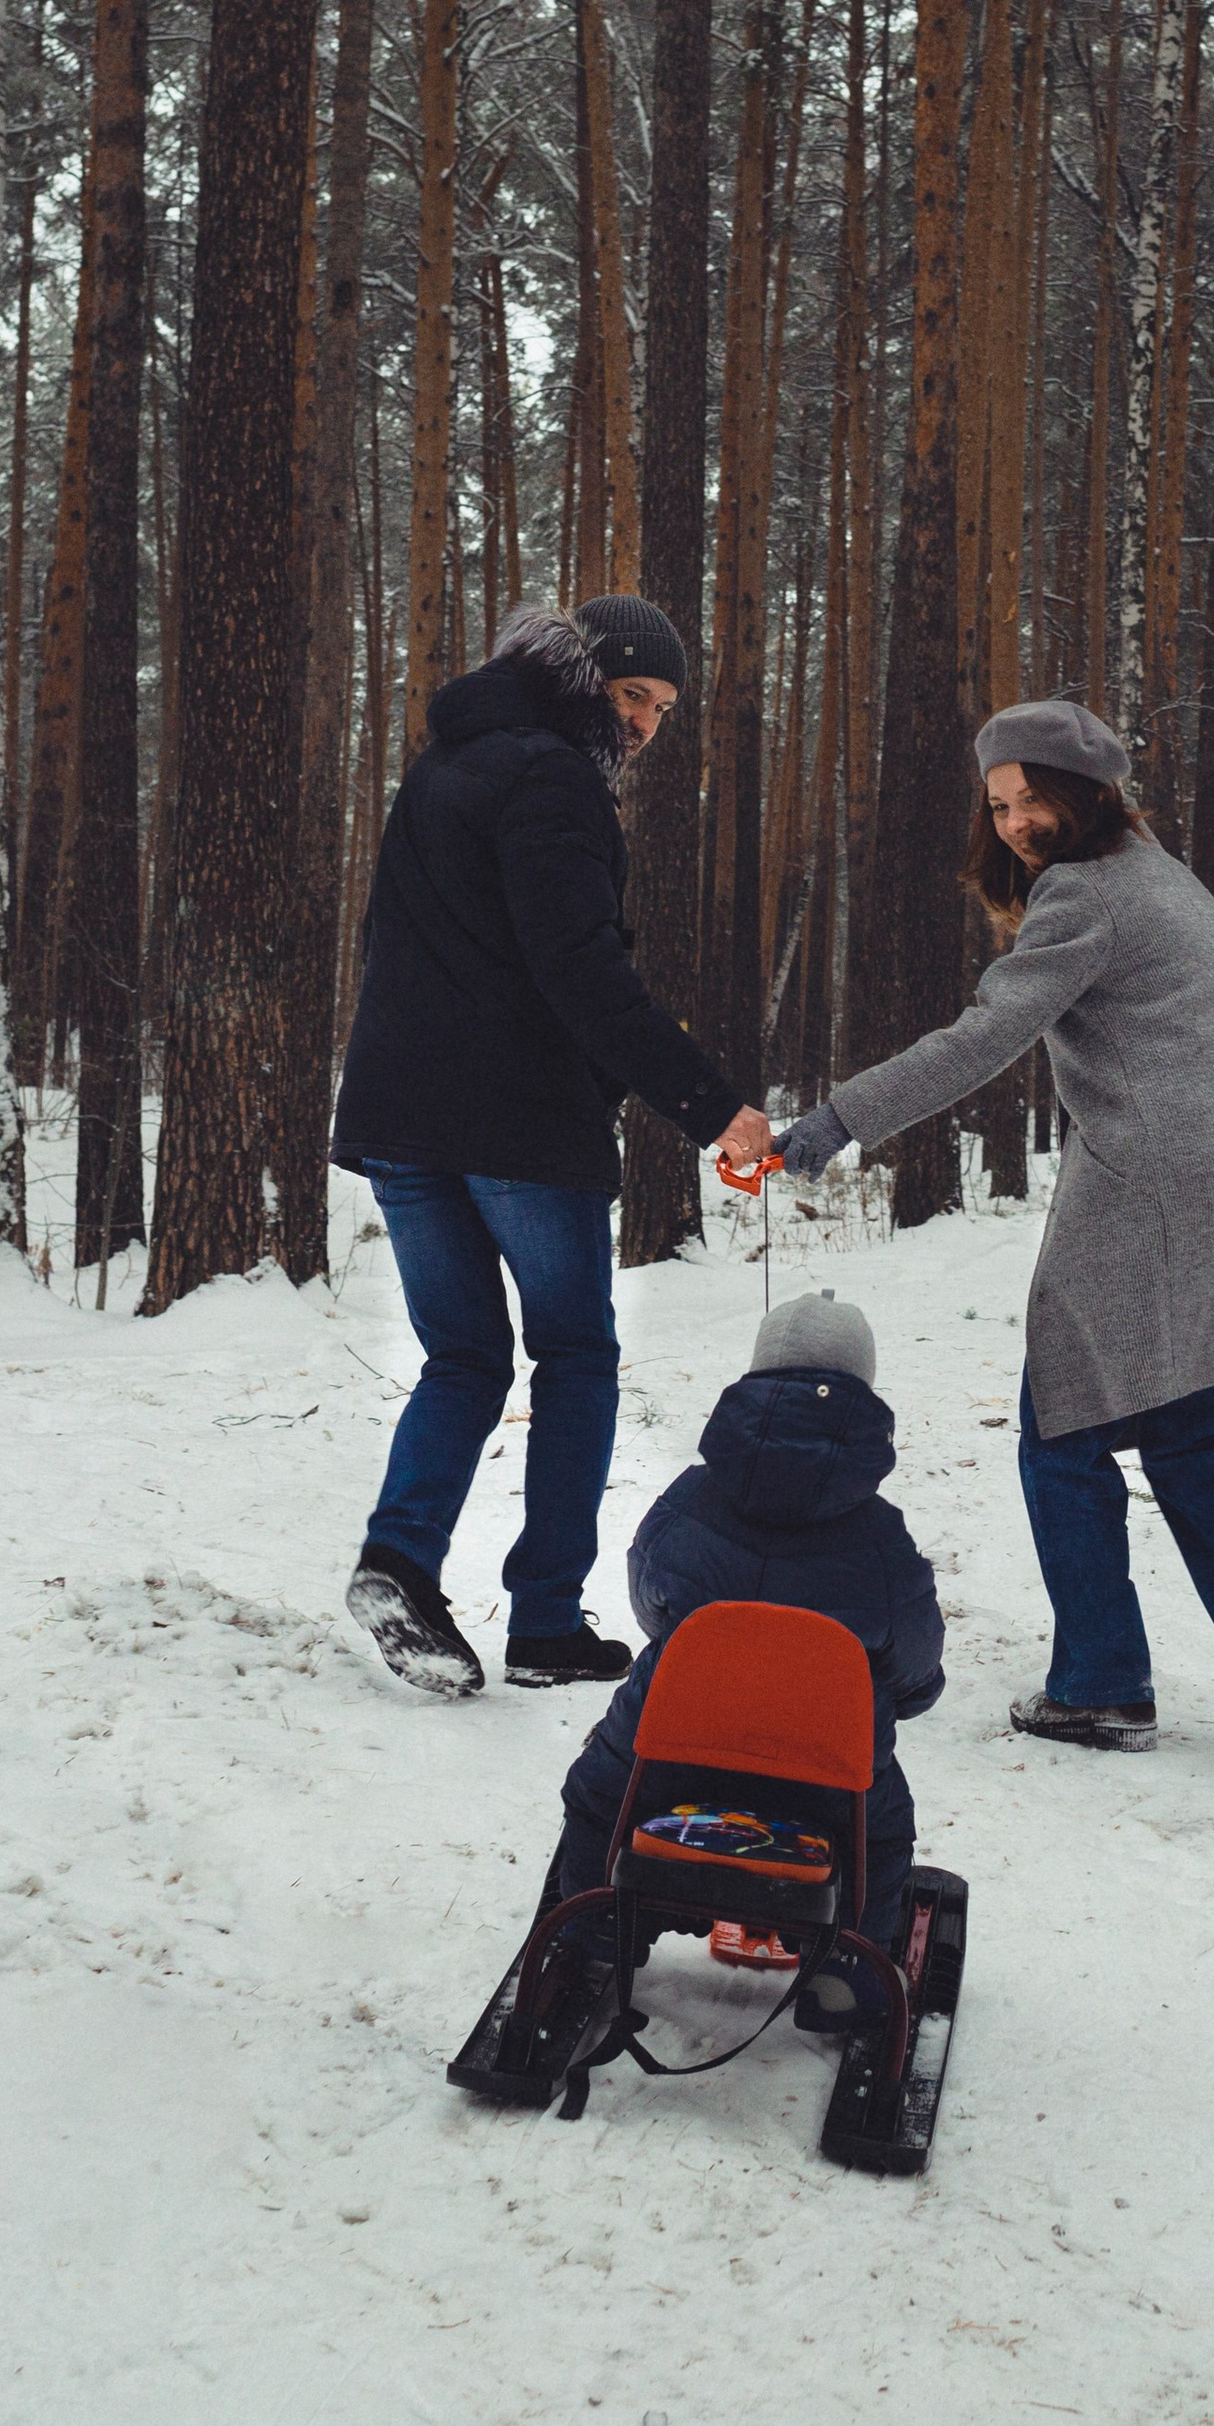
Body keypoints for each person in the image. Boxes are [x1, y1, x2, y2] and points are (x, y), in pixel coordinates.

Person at [778, 700, 1214, 1767]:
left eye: (1032, 797)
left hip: (1158, 1196)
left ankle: (1105, 1684)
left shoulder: (1087, 893)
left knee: (1061, 1432)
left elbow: (985, 1036)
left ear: (1087, 788)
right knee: (1183, 1435)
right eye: (999, 804)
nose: (1014, 822)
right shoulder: (1161, 875)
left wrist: (839, 1118)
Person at [331, 597, 771, 1696]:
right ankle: (542, 1620)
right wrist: (711, 1105)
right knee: (574, 1357)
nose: (645, 728)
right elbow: (582, 971)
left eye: (664, 710)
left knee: (465, 1356)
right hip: (514, 1119)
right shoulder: (552, 779)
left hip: (403, 1116)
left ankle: (399, 1564)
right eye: (632, 697)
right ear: (582, 679)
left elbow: (395, 939)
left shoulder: (443, 768)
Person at [552, 1291, 944, 2027]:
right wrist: (901, 1693)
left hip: (670, 1756)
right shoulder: (884, 1543)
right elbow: (916, 1666)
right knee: (884, 1833)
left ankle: (592, 1932)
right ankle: (848, 1966)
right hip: (825, 1780)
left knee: (599, 1794)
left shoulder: (687, 1501)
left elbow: (649, 1599)